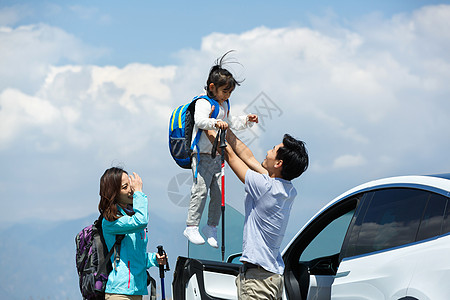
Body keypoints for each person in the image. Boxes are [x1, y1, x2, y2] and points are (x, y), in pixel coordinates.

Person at [209, 130, 308, 299]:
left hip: (258, 280)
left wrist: (207, 125)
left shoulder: (266, 187)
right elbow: (247, 156)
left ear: (278, 163)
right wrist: (225, 128)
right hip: (271, 277)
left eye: (273, 149)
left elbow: (231, 156)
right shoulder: (287, 190)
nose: (268, 151)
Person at [183, 51, 258, 248]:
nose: (228, 95)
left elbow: (230, 122)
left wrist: (246, 121)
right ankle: (191, 226)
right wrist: (216, 123)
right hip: (200, 155)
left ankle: (211, 227)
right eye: (225, 91)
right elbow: (200, 121)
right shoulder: (203, 102)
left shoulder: (223, 105)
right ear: (212, 87)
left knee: (217, 193)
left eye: (230, 92)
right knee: (200, 191)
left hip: (216, 155)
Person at [98, 167, 166, 300]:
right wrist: (139, 193)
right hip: (119, 293)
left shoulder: (130, 217)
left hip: (137, 291)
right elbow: (141, 221)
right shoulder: (111, 220)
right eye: (125, 187)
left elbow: (134, 257)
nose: (131, 190)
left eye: (130, 184)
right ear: (114, 194)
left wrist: (154, 259)